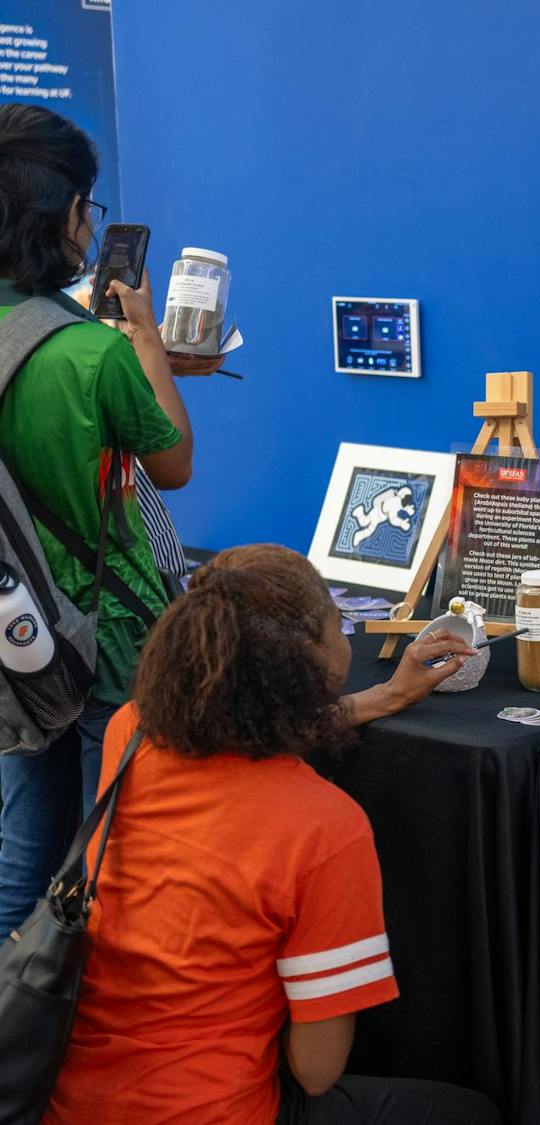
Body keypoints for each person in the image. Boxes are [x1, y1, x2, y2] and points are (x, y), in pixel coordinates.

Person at [46, 545, 496, 1124]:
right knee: (468, 1112)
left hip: (72, 1101)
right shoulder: (325, 828)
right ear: (305, 661)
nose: (346, 639)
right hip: (218, 1110)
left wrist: (388, 695)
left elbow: (245, 731)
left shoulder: (130, 731)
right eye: (338, 626)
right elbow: (316, 1071)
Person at [0, 103, 197, 932]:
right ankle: (81, 1035)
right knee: (106, 856)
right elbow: (172, 464)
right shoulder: (95, 351)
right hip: (109, 636)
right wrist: (147, 344)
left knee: (21, 846)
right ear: (67, 215)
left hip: (16, 626)